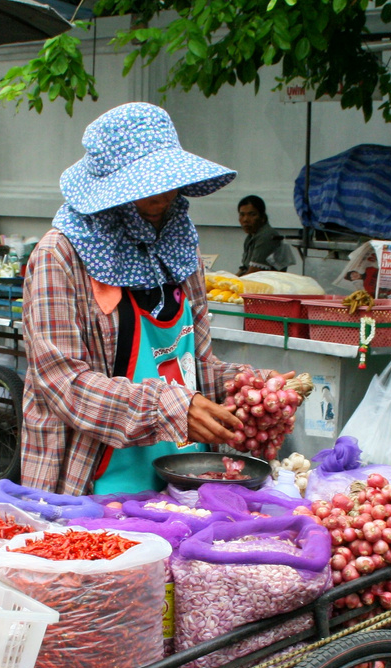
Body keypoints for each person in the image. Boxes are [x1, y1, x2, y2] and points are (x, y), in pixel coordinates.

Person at [23, 102, 282, 495]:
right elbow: (64, 384)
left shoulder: (180, 250)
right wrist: (167, 408)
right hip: (91, 484)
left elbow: (192, 368)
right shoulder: (59, 256)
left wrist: (250, 386)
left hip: (184, 478)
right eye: (145, 187)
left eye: (168, 182)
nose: (162, 197)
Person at [236, 195, 295, 275]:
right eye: (242, 215)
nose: (245, 219)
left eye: (252, 214)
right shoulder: (251, 236)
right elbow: (244, 268)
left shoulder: (266, 236)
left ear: (262, 217)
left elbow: (254, 273)